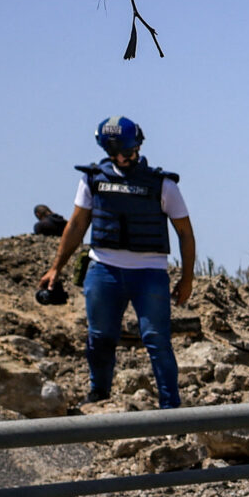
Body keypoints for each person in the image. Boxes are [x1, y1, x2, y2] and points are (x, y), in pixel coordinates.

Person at [41, 116, 196, 409]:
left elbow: (185, 233)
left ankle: (170, 408)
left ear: (138, 145)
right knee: (99, 337)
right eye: (113, 152)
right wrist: (55, 268)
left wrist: (187, 278)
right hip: (104, 270)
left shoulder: (163, 185)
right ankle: (99, 394)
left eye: (125, 150)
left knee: (157, 340)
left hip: (149, 273)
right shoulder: (92, 180)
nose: (121, 158)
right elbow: (76, 226)